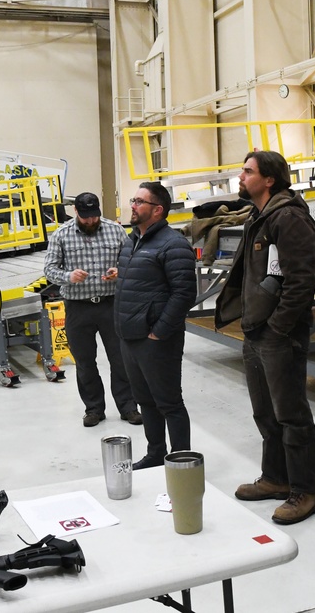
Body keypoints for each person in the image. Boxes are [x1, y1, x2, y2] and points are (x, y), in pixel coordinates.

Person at [215, 150, 315, 525]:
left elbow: (301, 281)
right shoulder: (260, 217)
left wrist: (278, 327)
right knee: (266, 413)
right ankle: (276, 479)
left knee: (292, 415)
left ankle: (305, 491)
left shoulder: (289, 218)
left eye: (248, 171)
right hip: (256, 331)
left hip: (279, 334)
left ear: (269, 180)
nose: (240, 176)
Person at [113, 181, 197, 470]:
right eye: (133, 200)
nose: (132, 206)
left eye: (139, 201)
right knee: (145, 401)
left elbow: (185, 293)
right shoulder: (132, 240)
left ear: (158, 210)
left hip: (157, 340)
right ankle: (155, 453)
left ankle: (181, 459)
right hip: (130, 337)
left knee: (169, 402)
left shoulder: (173, 244)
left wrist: (159, 331)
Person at [44, 191, 142, 428]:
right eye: (86, 217)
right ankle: (94, 409)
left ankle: (128, 406)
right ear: (76, 212)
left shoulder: (115, 230)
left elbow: (132, 259)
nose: (91, 221)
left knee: (121, 359)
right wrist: (68, 276)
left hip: (111, 304)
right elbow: (49, 269)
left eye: (94, 216)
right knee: (85, 362)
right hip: (78, 308)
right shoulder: (62, 235)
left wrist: (120, 271)